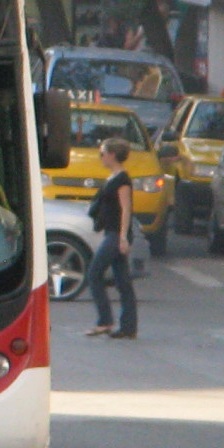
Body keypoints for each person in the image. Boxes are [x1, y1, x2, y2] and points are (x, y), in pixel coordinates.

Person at [85, 136, 139, 338]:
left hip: (117, 234)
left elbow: (126, 209)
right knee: (123, 281)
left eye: (102, 154)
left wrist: (124, 237)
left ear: (112, 155)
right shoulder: (112, 178)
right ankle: (128, 326)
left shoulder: (122, 180)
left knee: (94, 273)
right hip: (111, 232)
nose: (101, 157)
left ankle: (105, 320)